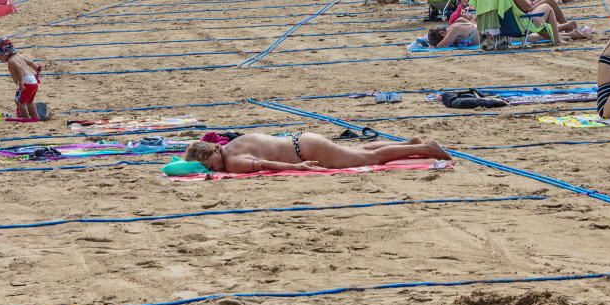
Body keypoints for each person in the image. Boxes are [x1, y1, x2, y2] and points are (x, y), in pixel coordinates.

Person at [184, 132, 450, 173]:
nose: (213, 168)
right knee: (357, 149)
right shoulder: (234, 142)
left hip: (305, 151)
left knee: (370, 158)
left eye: (210, 164)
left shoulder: (233, 162)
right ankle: (408, 144)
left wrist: (299, 168)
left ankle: (426, 148)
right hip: (301, 139)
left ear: (212, 153)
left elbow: (265, 164)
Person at [0, 38, 43, 121]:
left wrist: (21, 82)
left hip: (25, 82)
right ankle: (35, 117)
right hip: (33, 81)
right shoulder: (19, 56)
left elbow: (19, 68)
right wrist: (36, 67)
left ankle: (25, 117)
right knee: (29, 101)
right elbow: (30, 62)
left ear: (5, 53)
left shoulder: (11, 61)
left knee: (19, 101)